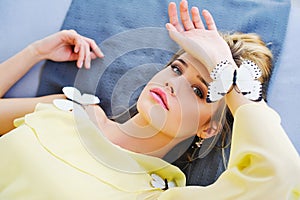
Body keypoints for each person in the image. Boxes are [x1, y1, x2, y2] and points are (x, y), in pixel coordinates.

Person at [0, 1, 299, 199]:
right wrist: (34, 53)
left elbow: (280, 177)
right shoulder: (70, 110)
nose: (174, 84)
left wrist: (226, 71)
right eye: (176, 68)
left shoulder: (158, 194)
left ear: (208, 128)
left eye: (199, 91)